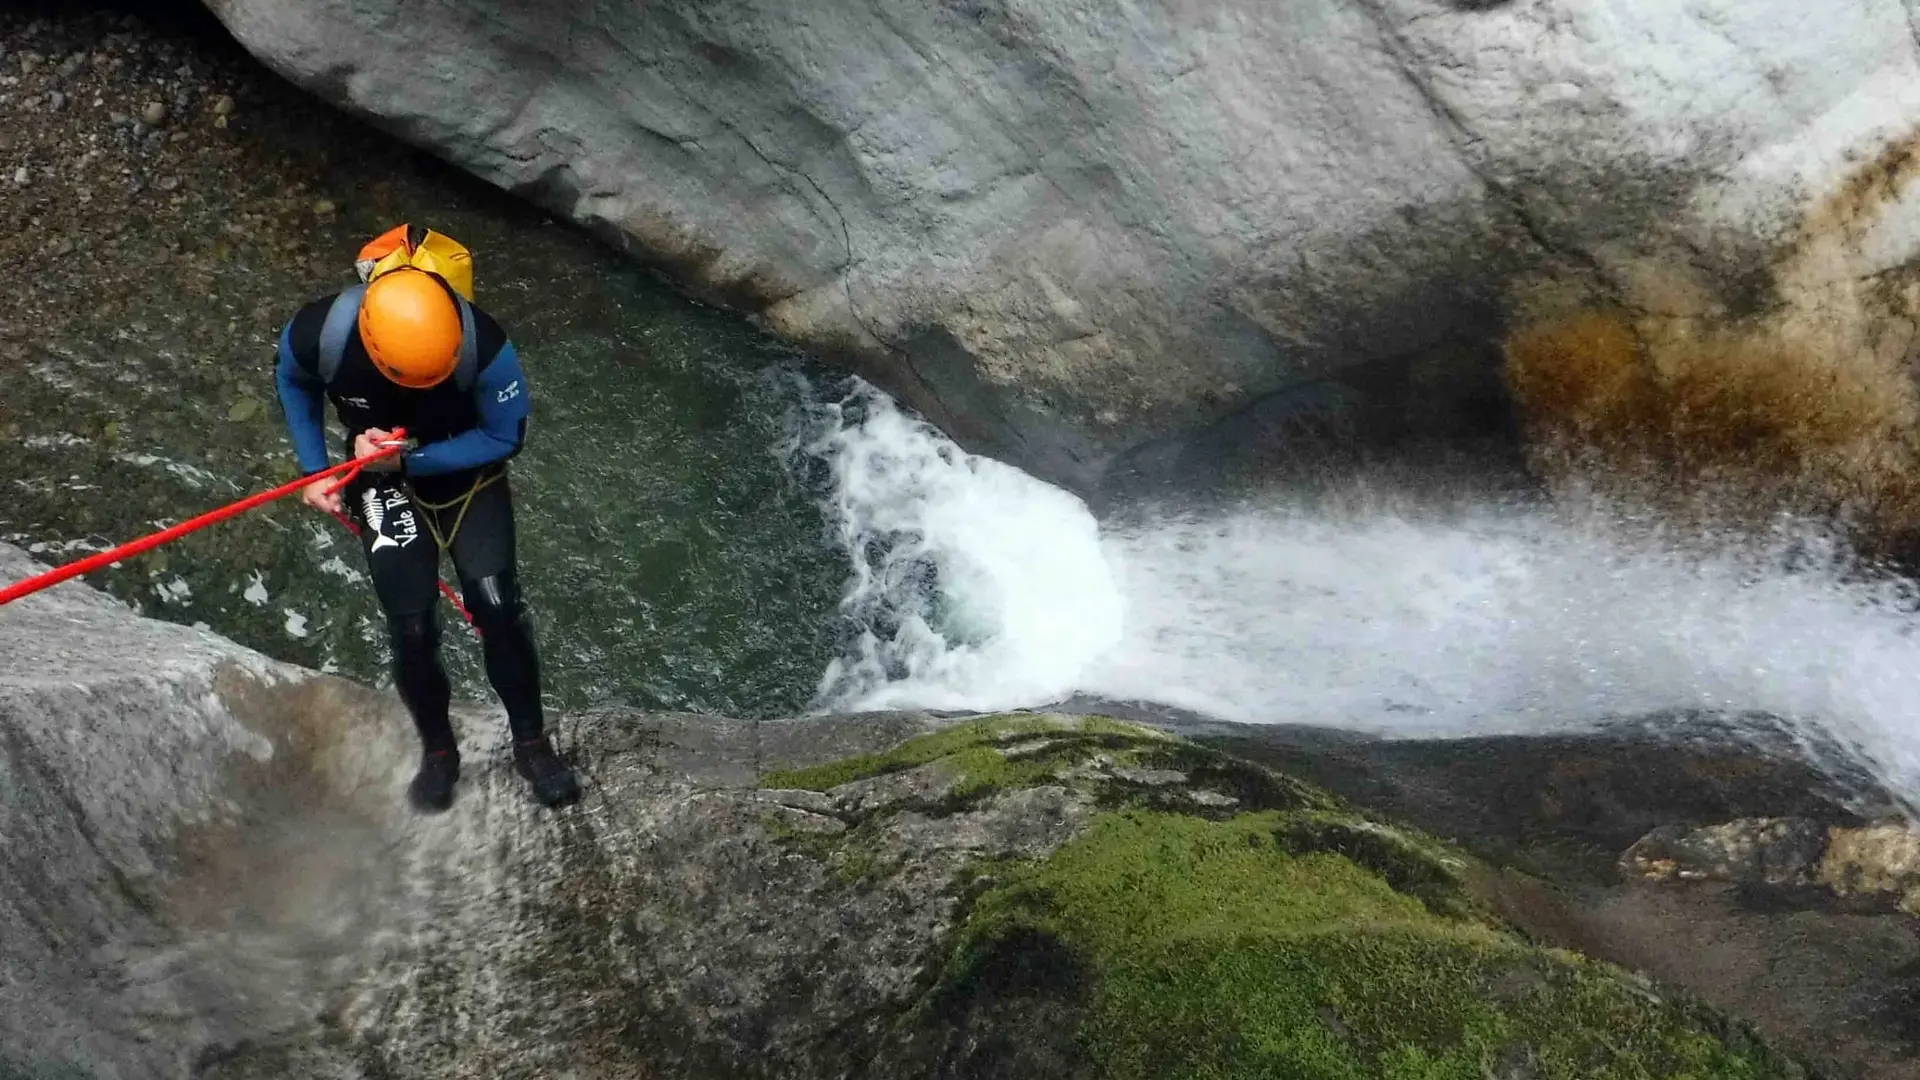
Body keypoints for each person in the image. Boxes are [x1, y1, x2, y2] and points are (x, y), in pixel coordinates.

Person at [273, 224, 580, 812]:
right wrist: (316, 472)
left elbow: (505, 435)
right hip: (381, 480)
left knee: (496, 606)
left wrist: (412, 458)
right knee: (411, 626)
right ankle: (439, 751)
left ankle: (531, 743)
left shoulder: (483, 344)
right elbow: (294, 379)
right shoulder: (322, 333)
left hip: (465, 476)